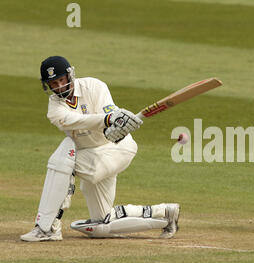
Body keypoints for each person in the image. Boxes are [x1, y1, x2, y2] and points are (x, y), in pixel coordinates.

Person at [20, 56, 180, 242]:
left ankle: (47, 228)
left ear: (70, 75)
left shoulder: (95, 86)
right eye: (53, 83)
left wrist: (116, 124)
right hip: (91, 155)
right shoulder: (54, 108)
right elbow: (77, 121)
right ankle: (165, 214)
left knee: (62, 160)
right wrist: (108, 120)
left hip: (116, 149)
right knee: (100, 225)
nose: (59, 87)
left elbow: (109, 118)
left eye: (61, 80)